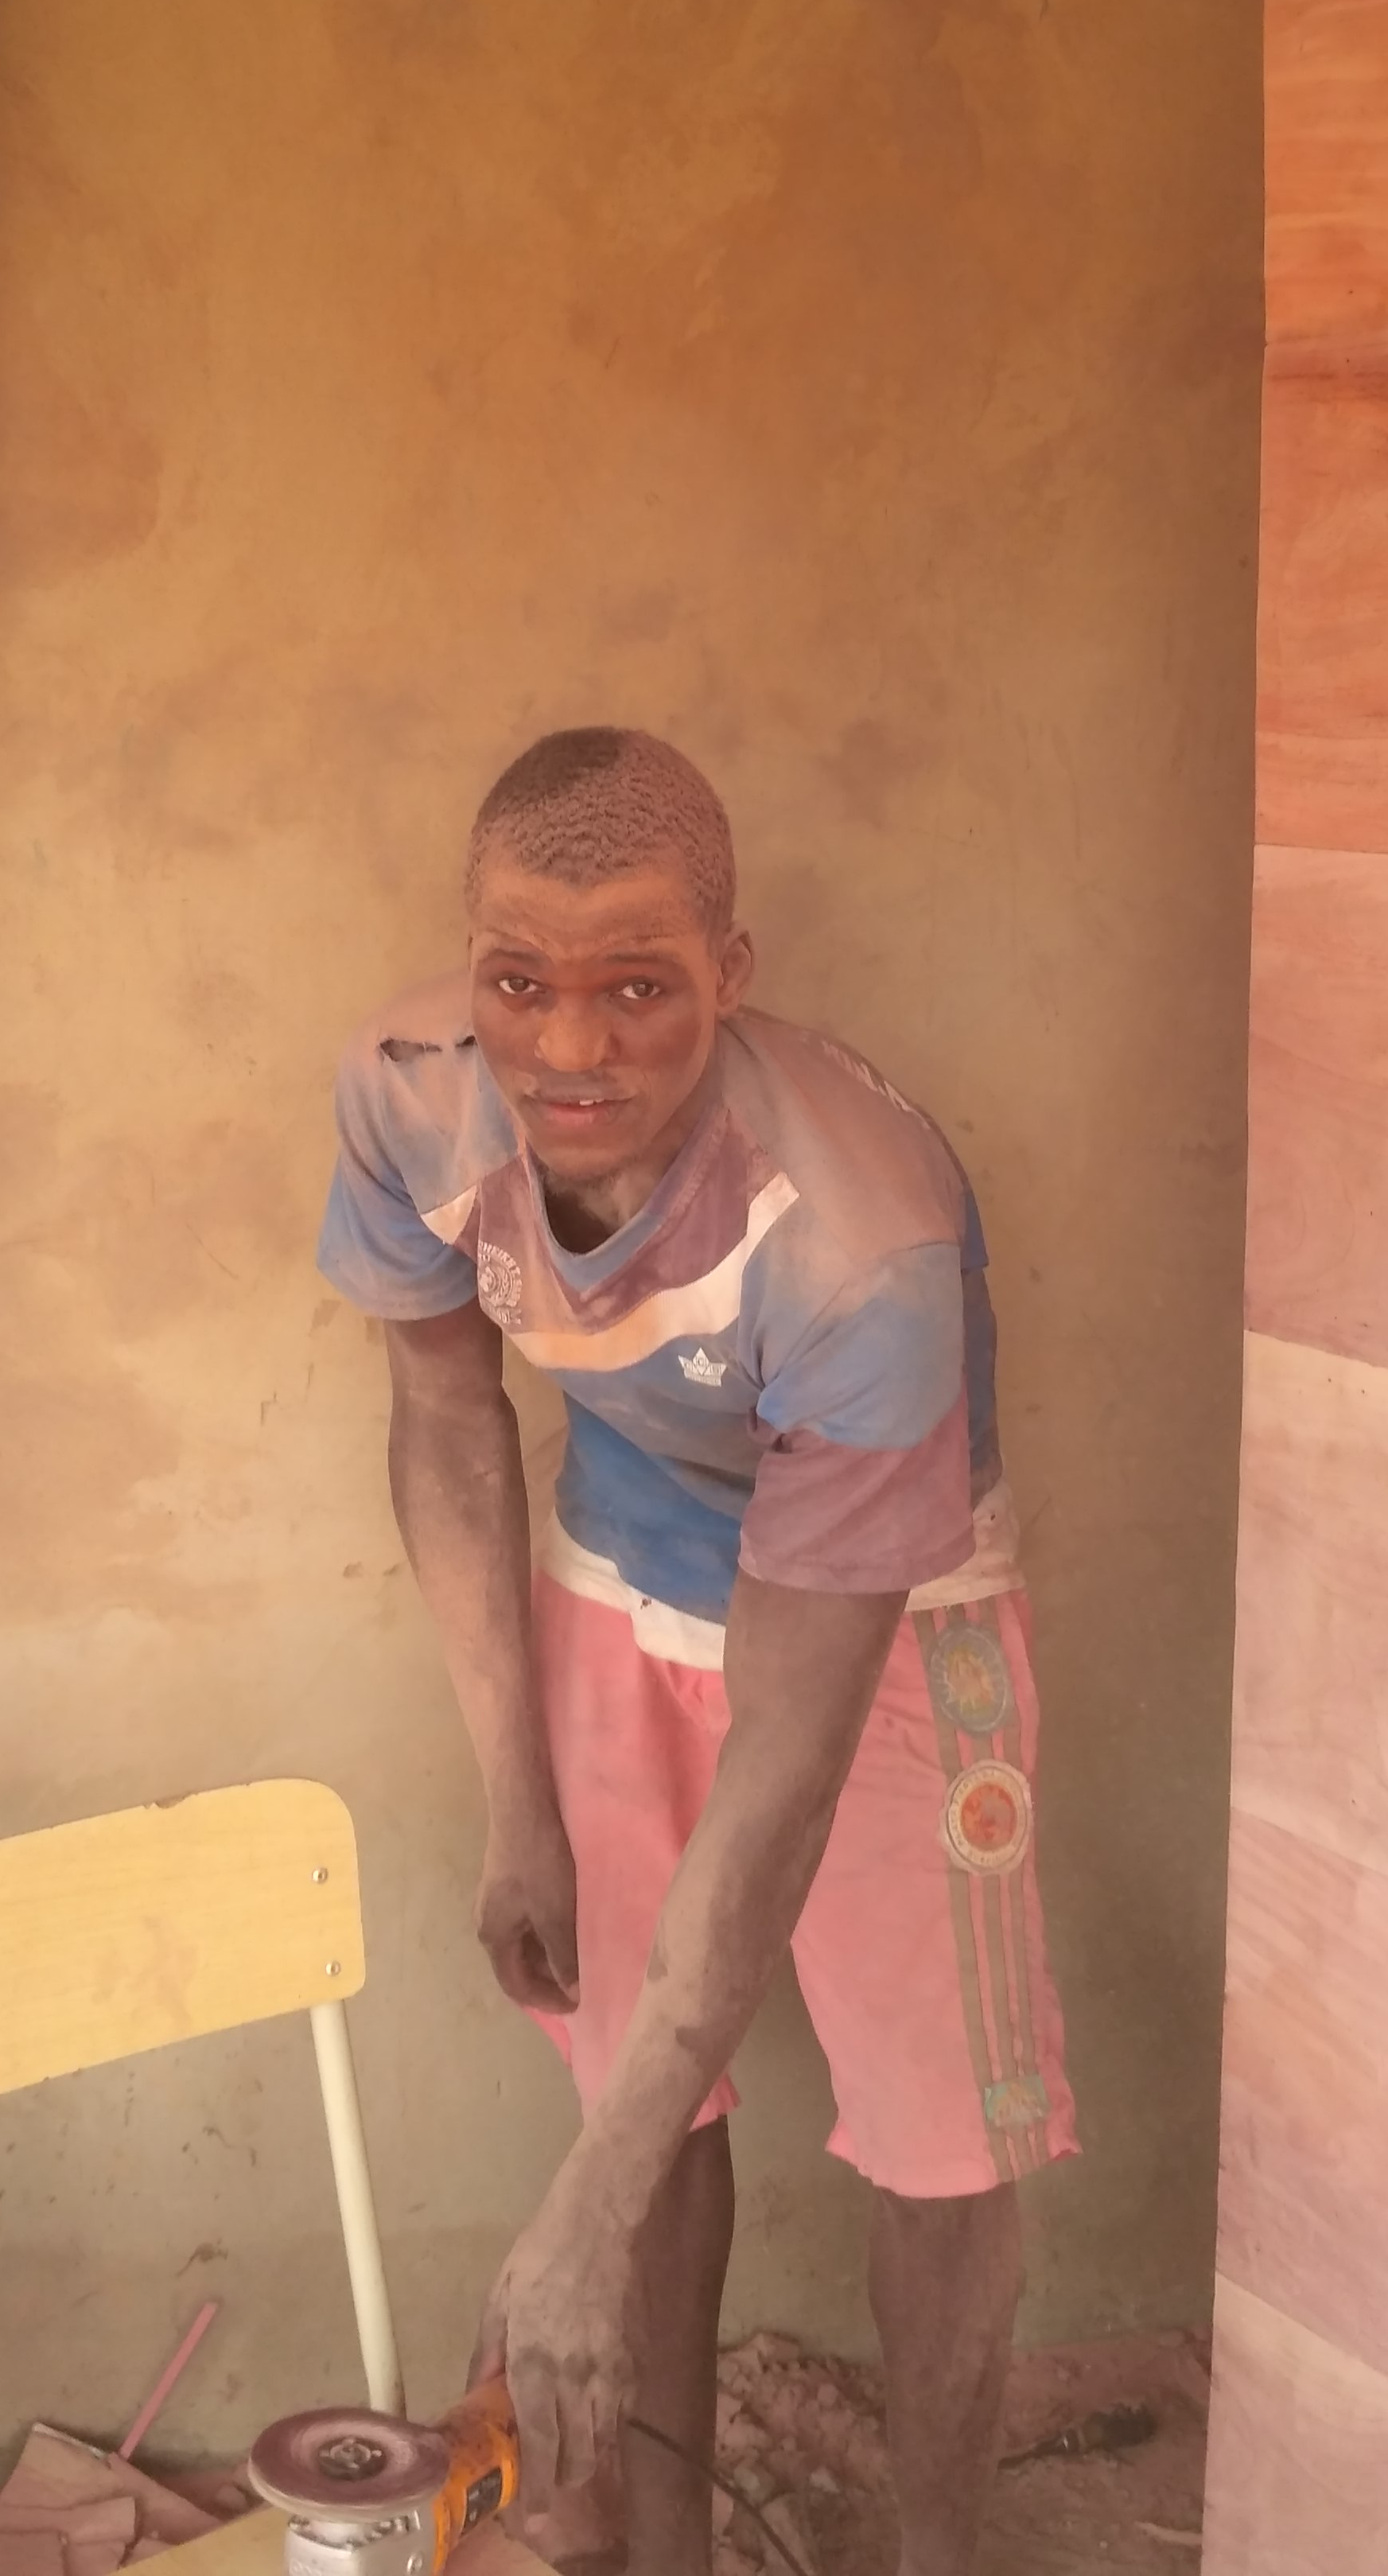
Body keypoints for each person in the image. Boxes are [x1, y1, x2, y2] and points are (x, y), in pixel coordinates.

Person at [317, 727, 1074, 2576]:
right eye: (521, 981)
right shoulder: (413, 1098)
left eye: (638, 985)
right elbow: (447, 1418)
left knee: (941, 2140)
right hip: (617, 1562)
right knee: (639, 2092)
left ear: (730, 976)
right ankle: (664, 2545)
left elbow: (792, 1763)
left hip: (893, 1614)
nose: (570, 1045)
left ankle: (937, 2552)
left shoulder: (855, 1252)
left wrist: (578, 2211)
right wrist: (517, 1800)